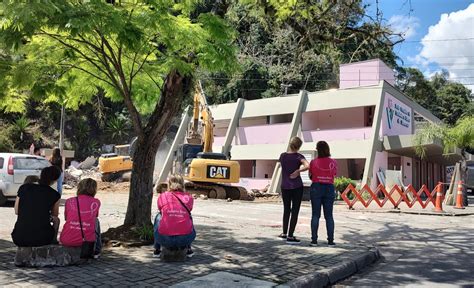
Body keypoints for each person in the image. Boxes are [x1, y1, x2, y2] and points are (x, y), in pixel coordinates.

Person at [12, 166, 61, 247]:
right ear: (55, 179)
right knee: (57, 220)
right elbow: (54, 215)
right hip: (43, 238)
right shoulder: (55, 194)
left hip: (19, 237)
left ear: (41, 175)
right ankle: (54, 241)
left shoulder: (24, 188)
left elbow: (17, 211)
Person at [153, 174, 195, 258]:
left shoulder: (163, 196)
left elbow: (160, 209)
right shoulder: (189, 197)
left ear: (169, 183)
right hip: (185, 239)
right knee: (188, 217)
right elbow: (189, 209)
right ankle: (189, 249)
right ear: (182, 184)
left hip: (164, 239)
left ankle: (157, 250)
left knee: (159, 216)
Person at [60, 178, 102, 258]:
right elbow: (94, 216)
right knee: (96, 221)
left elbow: (66, 218)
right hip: (86, 242)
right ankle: (97, 250)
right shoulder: (96, 202)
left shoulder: (69, 201)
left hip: (66, 239)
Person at [278, 136, 309, 244]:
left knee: (286, 209)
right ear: (299, 146)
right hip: (296, 186)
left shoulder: (282, 156)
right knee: (295, 210)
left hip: (285, 186)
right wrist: (298, 171)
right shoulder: (299, 156)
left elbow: (281, 165)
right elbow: (307, 165)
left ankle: (284, 233)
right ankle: (290, 236)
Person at [309, 141, 338, 247]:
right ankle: (330, 241)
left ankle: (314, 240)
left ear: (317, 150)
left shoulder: (313, 162)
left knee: (315, 215)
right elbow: (334, 174)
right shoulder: (333, 162)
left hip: (316, 187)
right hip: (329, 188)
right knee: (329, 216)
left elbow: (311, 176)